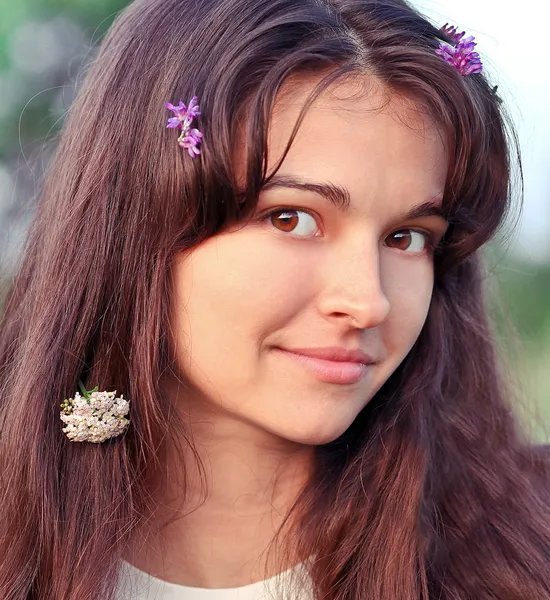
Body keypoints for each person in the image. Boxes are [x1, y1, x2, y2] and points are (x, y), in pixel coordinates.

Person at [0, 0, 549, 598]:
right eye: (291, 219)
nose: (369, 303)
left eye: (407, 237)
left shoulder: (527, 542)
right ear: (139, 219)